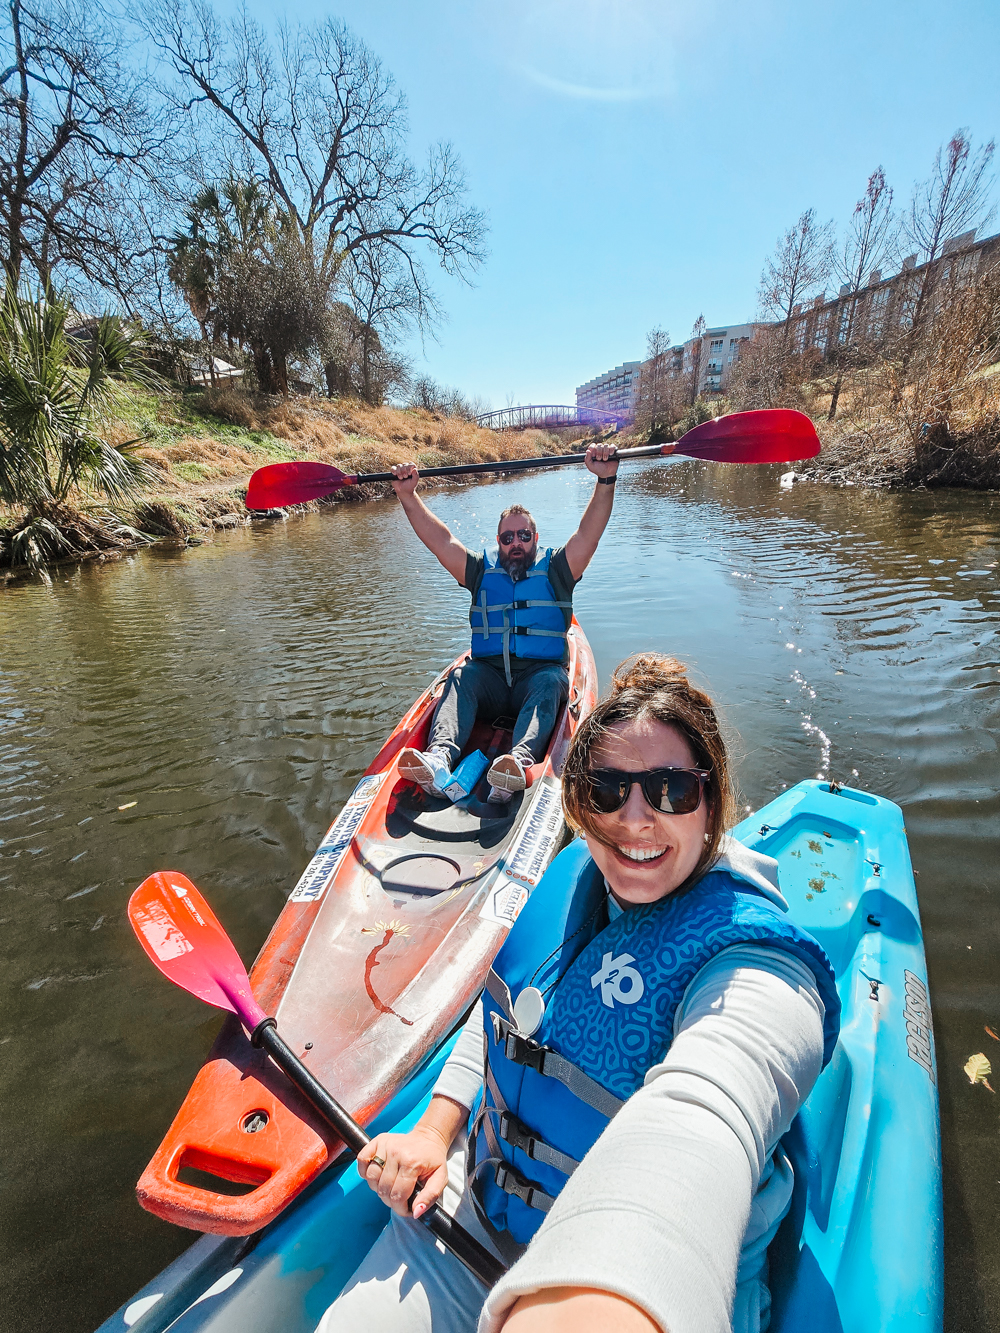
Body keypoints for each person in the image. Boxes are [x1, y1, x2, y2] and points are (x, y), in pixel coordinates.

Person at [316, 654, 841, 1333]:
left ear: (712, 801)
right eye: (606, 788)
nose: (635, 819)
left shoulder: (757, 967)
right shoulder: (577, 874)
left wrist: (607, 1297)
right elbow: (504, 1015)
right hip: (476, 1209)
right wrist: (433, 1129)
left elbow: (712, 1104)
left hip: (634, 1274)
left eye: (671, 789)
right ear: (578, 802)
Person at [392, 443, 619, 804]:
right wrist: (408, 495)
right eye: (508, 537)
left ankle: (517, 763)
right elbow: (441, 541)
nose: (517, 543)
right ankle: (438, 757)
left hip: (538, 677)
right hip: (490, 681)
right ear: (498, 542)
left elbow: (588, 534)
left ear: (536, 539)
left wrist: (606, 481)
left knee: (550, 681)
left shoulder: (559, 569)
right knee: (461, 676)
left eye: (524, 536)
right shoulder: (481, 571)